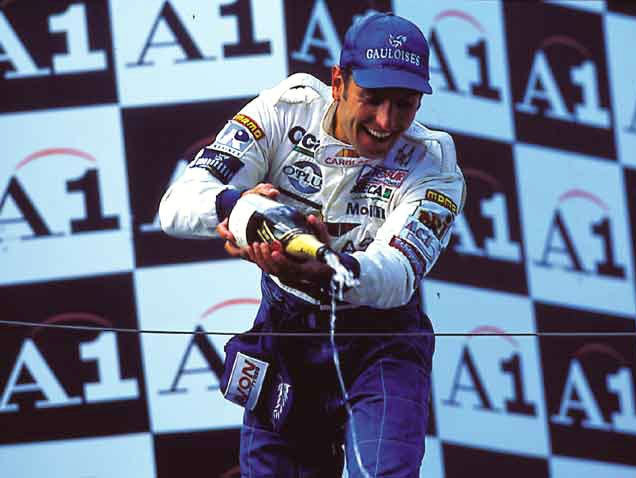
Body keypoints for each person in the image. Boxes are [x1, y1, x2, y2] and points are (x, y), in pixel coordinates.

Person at [159, 12, 465, 478]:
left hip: (381, 344)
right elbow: (176, 206)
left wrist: (330, 269)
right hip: (287, 333)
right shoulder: (285, 110)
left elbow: (399, 273)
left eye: (404, 104)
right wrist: (241, 210)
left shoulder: (434, 162)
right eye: (372, 99)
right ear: (338, 82)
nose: (386, 121)